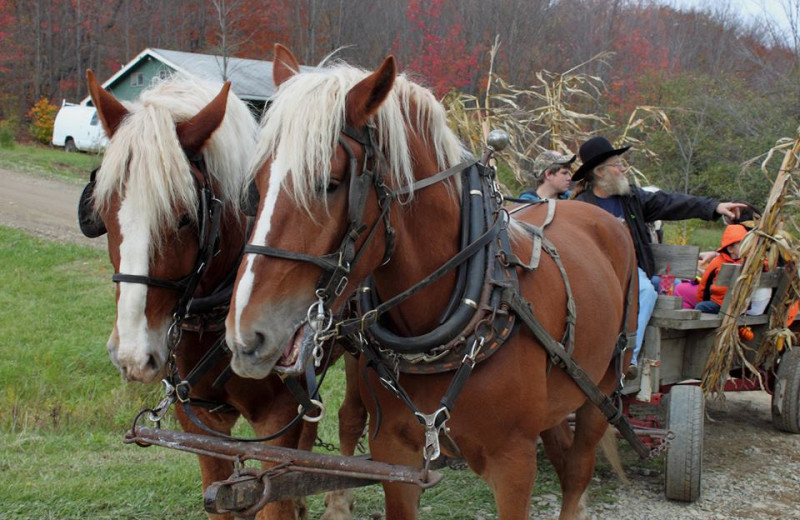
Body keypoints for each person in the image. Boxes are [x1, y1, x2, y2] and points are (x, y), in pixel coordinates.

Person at [571, 136, 747, 379]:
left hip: (629, 272)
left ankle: (627, 360)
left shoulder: (632, 198)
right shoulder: (580, 207)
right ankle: (603, 360)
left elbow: (672, 203)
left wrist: (714, 208)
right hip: (594, 275)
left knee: (655, 289)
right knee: (631, 294)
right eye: (618, 164)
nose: (624, 169)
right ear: (600, 172)